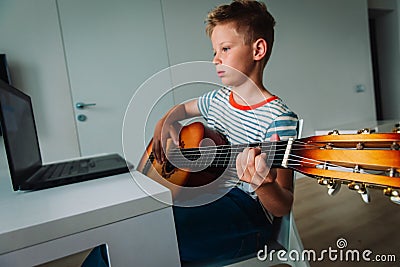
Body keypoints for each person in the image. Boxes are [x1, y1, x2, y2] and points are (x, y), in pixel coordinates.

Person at [152, 0, 299, 263]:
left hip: (246, 217)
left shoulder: (279, 119)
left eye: (225, 49)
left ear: (258, 50)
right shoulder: (218, 99)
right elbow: (182, 110)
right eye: (214, 51)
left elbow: (282, 205)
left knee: (157, 238)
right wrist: (164, 122)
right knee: (145, 221)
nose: (216, 59)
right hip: (207, 196)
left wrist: (262, 184)